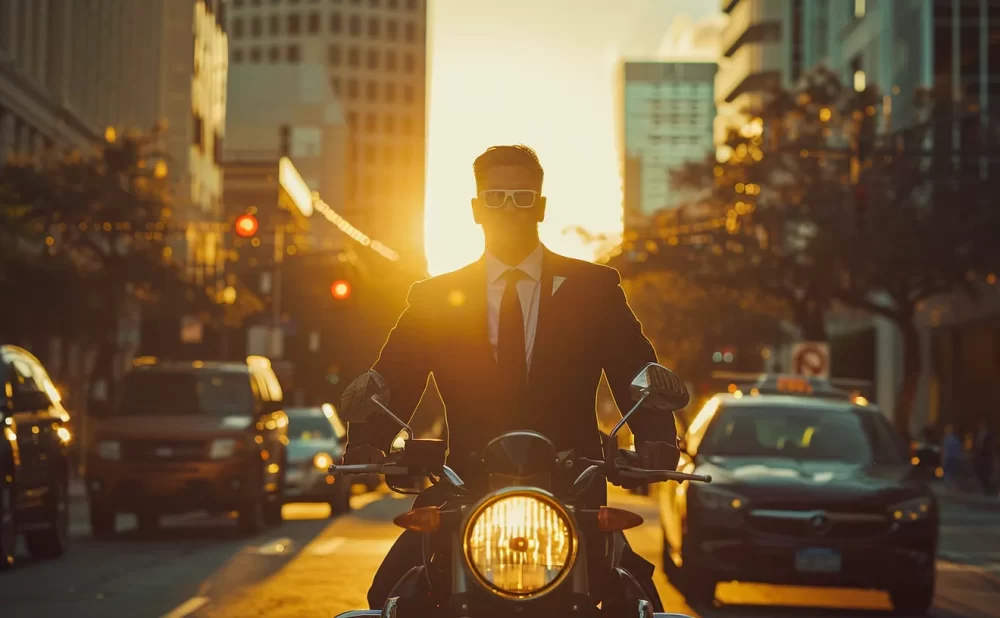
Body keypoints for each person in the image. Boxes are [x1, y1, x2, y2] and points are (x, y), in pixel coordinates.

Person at [343, 144, 678, 609]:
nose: (509, 208)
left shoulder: (594, 287)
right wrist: (369, 439)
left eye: (522, 197)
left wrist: (656, 436)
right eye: (495, 196)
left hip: (573, 489)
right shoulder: (435, 297)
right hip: (466, 487)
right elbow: (397, 373)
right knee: (392, 596)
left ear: (540, 207)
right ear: (476, 209)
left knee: (636, 600)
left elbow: (635, 369)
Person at [974, 418, 995, 495]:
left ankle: (987, 490)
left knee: (986, 473)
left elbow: (989, 446)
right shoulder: (979, 434)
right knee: (980, 472)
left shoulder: (988, 434)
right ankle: (984, 489)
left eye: (981, 424)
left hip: (986, 456)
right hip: (979, 457)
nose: (979, 426)